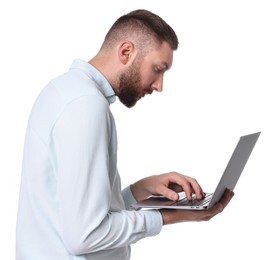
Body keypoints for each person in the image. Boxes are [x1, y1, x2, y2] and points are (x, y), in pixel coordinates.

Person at [16, 9, 234, 260]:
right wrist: (169, 216)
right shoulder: (86, 105)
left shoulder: (63, 91)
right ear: (126, 52)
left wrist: (139, 190)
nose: (159, 86)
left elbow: (76, 217)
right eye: (157, 69)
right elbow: (85, 236)